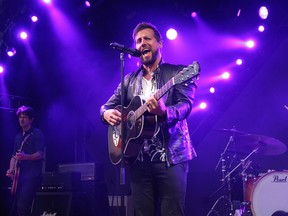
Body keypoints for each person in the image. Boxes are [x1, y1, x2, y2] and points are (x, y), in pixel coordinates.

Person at [100, 22, 198, 216]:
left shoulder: (177, 73)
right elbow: (106, 106)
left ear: (160, 43)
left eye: (147, 39)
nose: (142, 43)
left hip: (171, 158)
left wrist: (164, 112)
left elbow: (186, 105)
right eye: (138, 41)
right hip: (138, 159)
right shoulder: (128, 81)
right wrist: (105, 113)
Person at [6, 106, 45, 216]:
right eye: (20, 117)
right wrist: (11, 169)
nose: (21, 120)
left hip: (32, 176)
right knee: (16, 207)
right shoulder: (18, 137)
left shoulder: (37, 133)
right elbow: (14, 157)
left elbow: (40, 154)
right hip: (19, 178)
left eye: (24, 117)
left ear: (31, 119)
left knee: (22, 206)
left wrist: (26, 157)